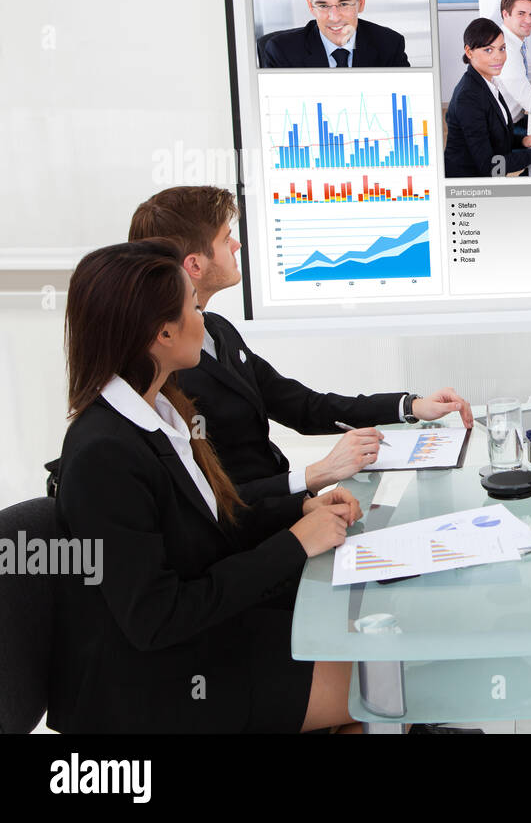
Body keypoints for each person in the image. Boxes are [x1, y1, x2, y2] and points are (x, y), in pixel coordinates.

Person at [48, 240, 362, 732]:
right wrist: (294, 545)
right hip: (157, 683)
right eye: (193, 305)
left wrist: (300, 511)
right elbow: (156, 616)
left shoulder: (164, 410)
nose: (204, 317)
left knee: (372, 657)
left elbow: (211, 522)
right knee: (383, 685)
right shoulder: (103, 453)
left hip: (204, 638)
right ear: (163, 331)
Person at [127, 186, 473, 508]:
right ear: (195, 265)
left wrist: (410, 406)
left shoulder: (218, 331)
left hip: (284, 506)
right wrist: (315, 475)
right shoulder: (165, 372)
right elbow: (206, 501)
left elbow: (305, 408)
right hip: (250, 531)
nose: (237, 246)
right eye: (226, 238)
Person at [444, 18, 531, 178]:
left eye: (502, 49)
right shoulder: (468, 98)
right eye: (488, 50)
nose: (498, 57)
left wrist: (522, 141)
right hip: (471, 184)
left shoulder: (489, 82)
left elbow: (494, 135)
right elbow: (490, 166)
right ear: (469, 52)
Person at [259, 0, 410, 68]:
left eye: (343, 4)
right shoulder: (282, 52)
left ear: (361, 2)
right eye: (323, 5)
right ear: (311, 6)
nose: (334, 17)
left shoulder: (389, 45)